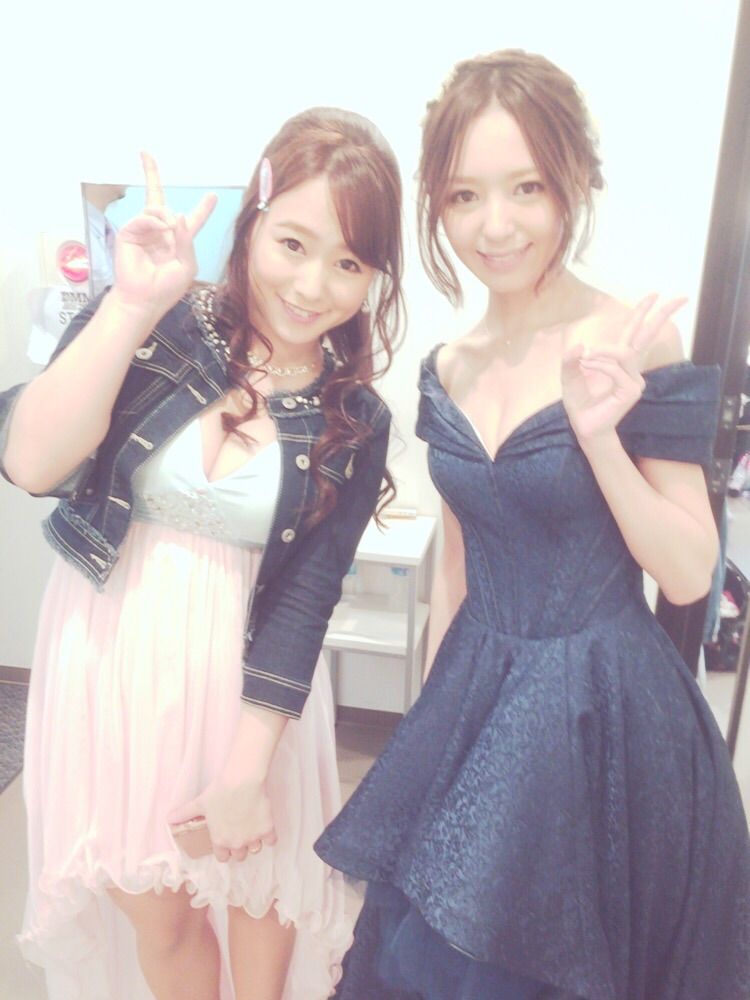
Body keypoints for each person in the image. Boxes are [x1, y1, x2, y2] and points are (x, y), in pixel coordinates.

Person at [315, 50, 750, 999]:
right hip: (476, 689)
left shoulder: (633, 338)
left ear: (574, 180)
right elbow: (456, 568)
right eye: (464, 196)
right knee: (434, 943)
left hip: (601, 708)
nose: (495, 225)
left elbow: (689, 574)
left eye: (527, 188)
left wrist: (600, 440)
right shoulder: (449, 365)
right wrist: (431, 727)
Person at [0, 107, 403, 1000]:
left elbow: (307, 595)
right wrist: (132, 303)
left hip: (252, 693)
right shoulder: (156, 325)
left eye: (349, 264)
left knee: (260, 898)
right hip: (111, 667)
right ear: (253, 222)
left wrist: (245, 773)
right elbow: (30, 462)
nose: (313, 286)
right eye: (293, 243)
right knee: (165, 919)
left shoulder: (353, 418)